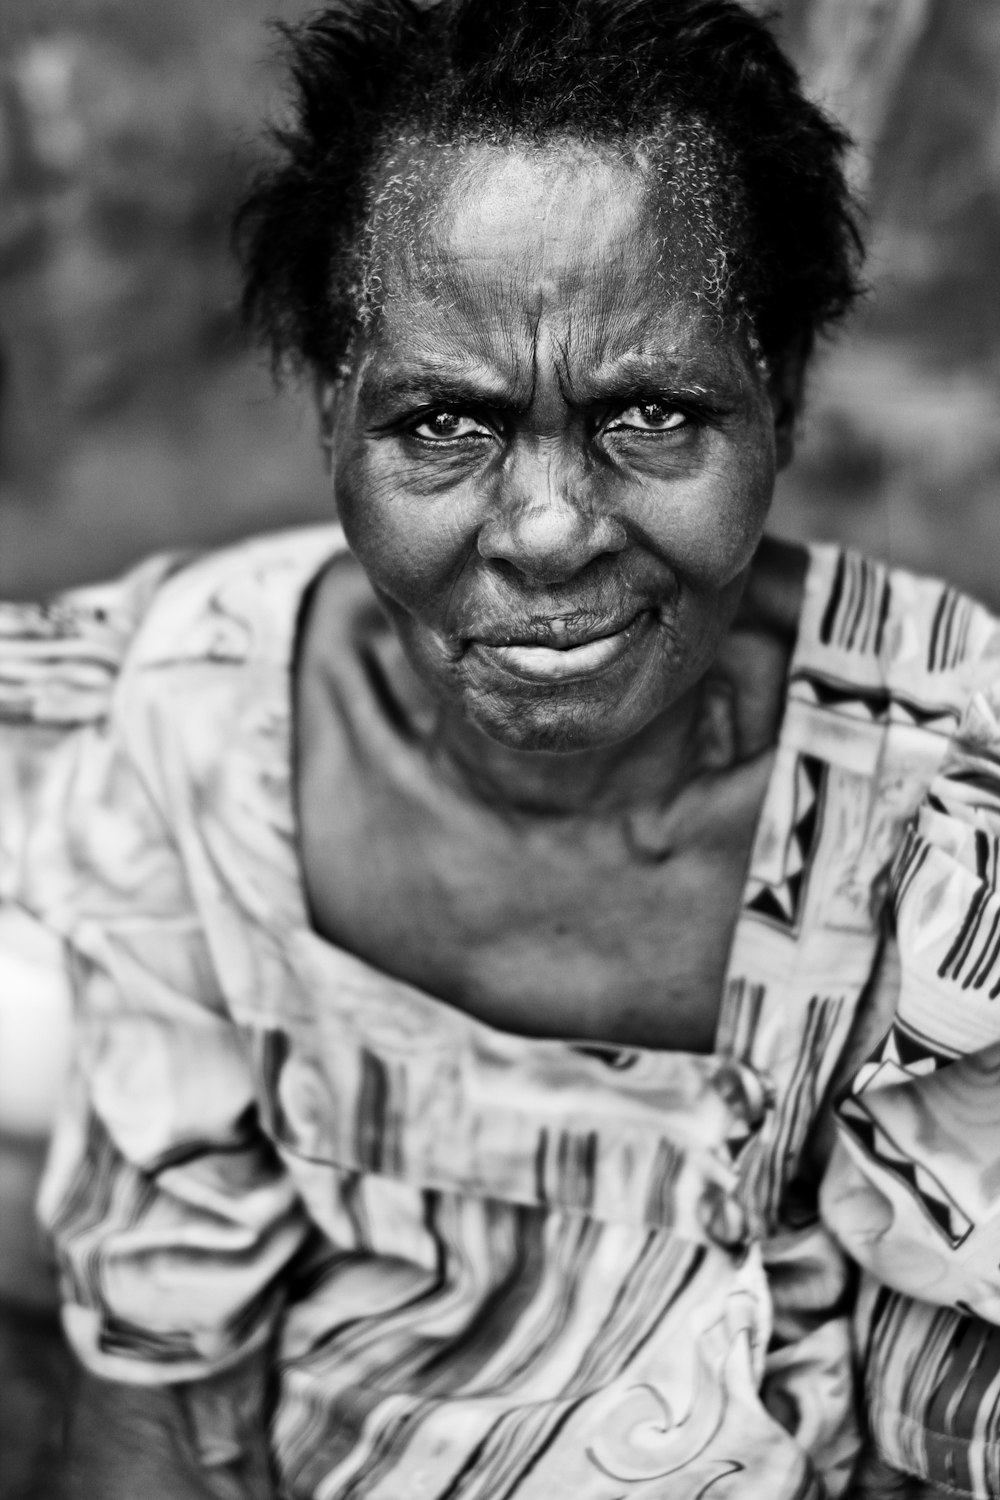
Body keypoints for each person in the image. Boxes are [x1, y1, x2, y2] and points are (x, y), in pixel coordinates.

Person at [1, 0, 998, 1495]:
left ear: (778, 402)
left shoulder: (941, 796)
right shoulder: (210, 721)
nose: (545, 532)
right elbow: (162, 1384)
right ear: (335, 415)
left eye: (651, 413)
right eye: (443, 424)